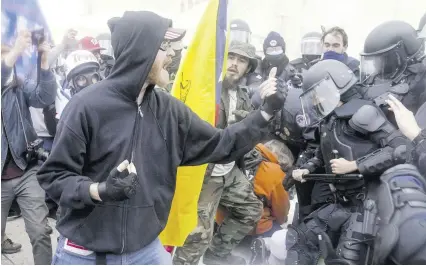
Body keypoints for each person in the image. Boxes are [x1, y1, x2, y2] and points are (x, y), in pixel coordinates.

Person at [37, 11, 286, 265]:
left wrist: (266, 112)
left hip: (146, 253)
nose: (171, 55)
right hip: (86, 254)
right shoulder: (85, 106)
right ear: (140, 51)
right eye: (164, 46)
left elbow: (221, 144)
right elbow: (54, 177)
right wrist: (99, 190)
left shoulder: (169, 110)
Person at [285, 59, 409, 265]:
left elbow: (399, 148)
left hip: (367, 209)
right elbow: (323, 154)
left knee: (346, 260)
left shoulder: (364, 113)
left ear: (333, 86)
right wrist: (306, 169)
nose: (315, 101)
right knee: (300, 241)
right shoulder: (331, 120)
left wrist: (354, 165)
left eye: (317, 94)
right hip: (340, 204)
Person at [173, 40, 264, 265]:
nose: (234, 64)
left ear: (248, 68)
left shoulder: (243, 95)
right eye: (230, 57)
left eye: (241, 60)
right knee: (197, 235)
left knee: (251, 210)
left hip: (229, 171)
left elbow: (247, 132)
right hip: (204, 172)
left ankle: (217, 255)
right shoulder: (207, 90)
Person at [1, 30, 55, 264]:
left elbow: (44, 97)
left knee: (41, 233)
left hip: (27, 170)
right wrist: (14, 52)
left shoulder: (19, 85)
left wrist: (44, 63)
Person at [359, 20, 426, 115]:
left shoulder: (420, 88)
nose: (376, 64)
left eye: (382, 59)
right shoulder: (374, 78)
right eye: (374, 59)